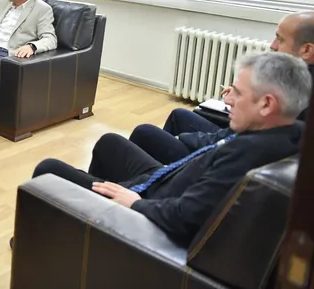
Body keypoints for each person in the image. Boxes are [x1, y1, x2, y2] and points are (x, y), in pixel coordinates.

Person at [27, 51, 306, 246]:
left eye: (238, 93)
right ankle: (87, 230)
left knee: (48, 169)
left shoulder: (246, 153)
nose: (228, 100)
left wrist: (134, 202)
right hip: (168, 180)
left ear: (267, 104)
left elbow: (184, 218)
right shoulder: (291, 133)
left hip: (151, 203)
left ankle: (49, 242)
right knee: (111, 142)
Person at [128, 11, 314, 164]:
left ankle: (167, 177)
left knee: (144, 133)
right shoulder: (295, 75)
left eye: (280, 39)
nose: (272, 45)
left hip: (226, 153)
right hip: (235, 139)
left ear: (307, 50)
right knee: (179, 115)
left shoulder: (294, 87)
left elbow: (240, 135)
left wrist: (184, 138)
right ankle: (163, 172)